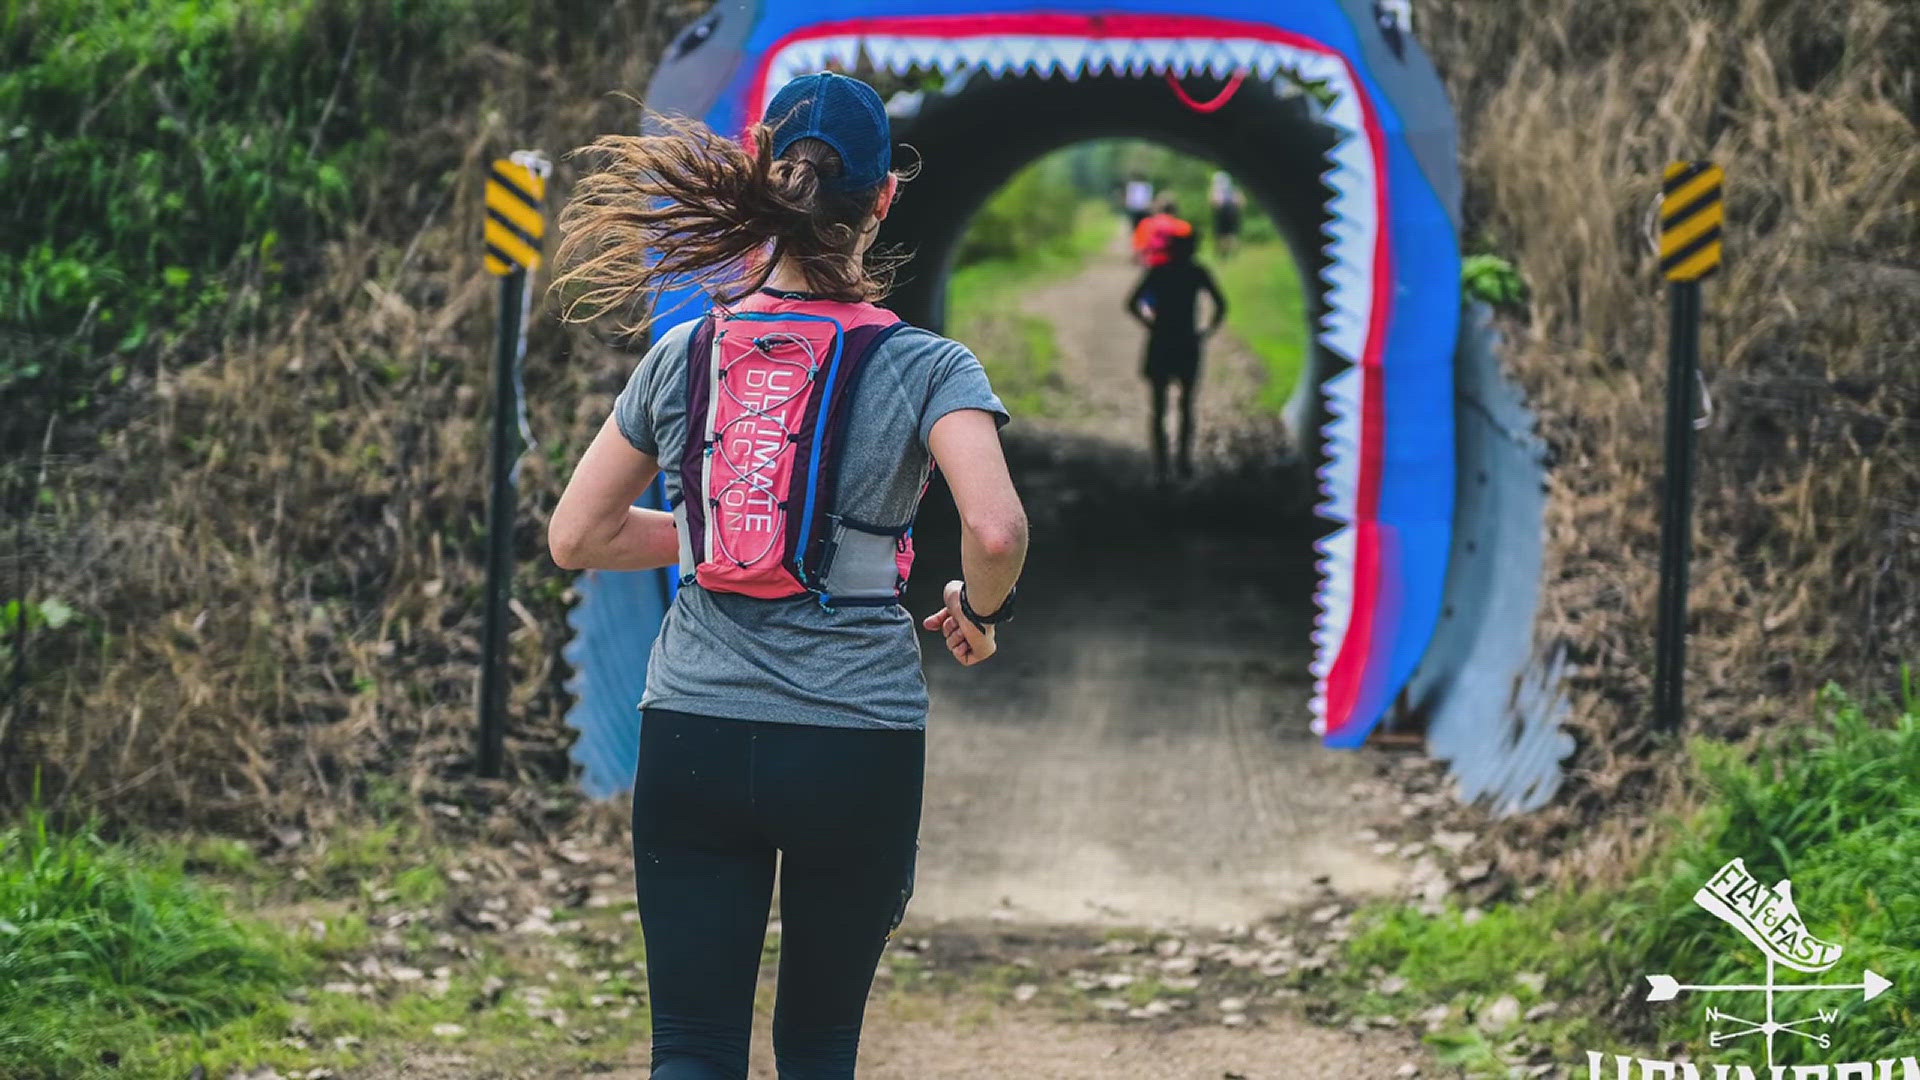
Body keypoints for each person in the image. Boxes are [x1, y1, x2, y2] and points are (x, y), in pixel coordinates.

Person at [546, 71, 1029, 1079]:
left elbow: (578, 535)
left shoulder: (685, 351)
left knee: (691, 1045)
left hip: (692, 735)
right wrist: (975, 610)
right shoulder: (929, 367)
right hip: (855, 739)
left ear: (767, 180)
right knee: (817, 1048)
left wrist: (732, 528)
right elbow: (992, 528)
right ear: (885, 199)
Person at [1125, 230, 1226, 483]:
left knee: (1159, 408)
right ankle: (1183, 462)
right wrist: (1206, 331)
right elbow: (1221, 305)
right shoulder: (1197, 272)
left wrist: (1150, 324)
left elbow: (1131, 303)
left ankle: (1161, 466)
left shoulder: (1159, 271)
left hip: (1161, 341)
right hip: (1187, 342)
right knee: (1187, 405)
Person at [1132, 195, 1194, 268]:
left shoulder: (1146, 224)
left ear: (1156, 209)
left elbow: (1139, 249)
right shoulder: (1185, 226)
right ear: (1175, 210)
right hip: (1179, 267)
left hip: (1154, 266)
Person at [1209, 170, 1243, 259]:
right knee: (1232, 233)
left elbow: (1215, 203)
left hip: (1222, 212)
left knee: (1222, 234)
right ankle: (1233, 254)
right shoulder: (1234, 190)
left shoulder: (1217, 190)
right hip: (1233, 211)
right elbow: (1241, 203)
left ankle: (1224, 255)